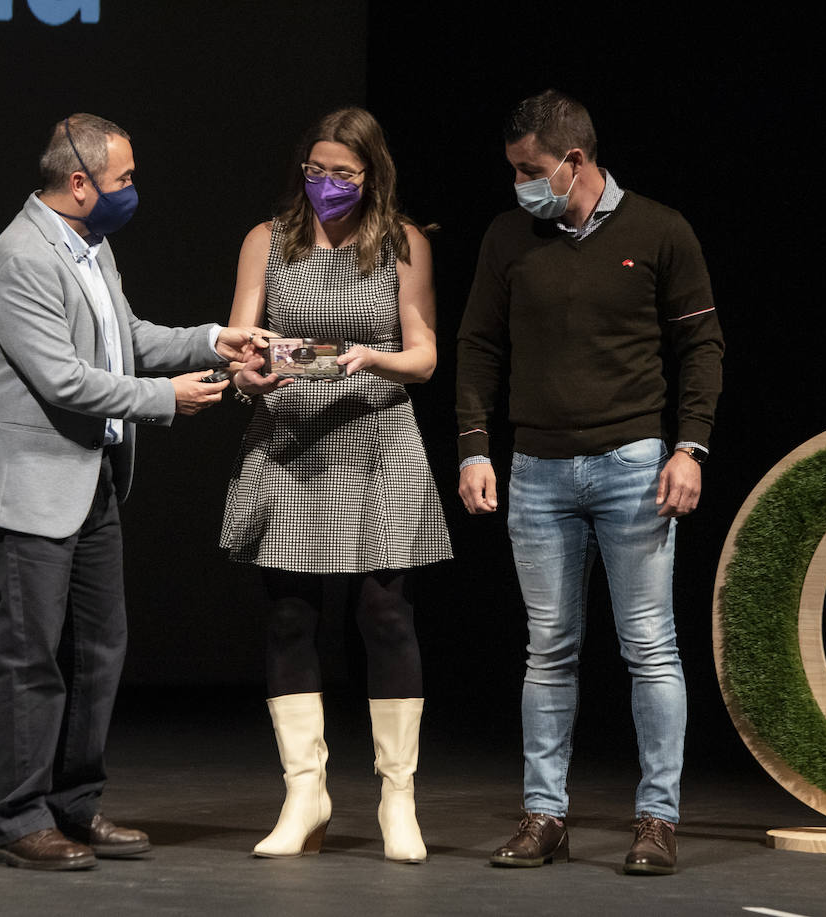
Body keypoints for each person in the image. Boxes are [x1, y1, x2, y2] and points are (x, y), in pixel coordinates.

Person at [0, 113, 266, 871]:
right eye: (123, 179)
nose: (132, 191)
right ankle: (19, 819)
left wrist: (215, 340)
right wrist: (165, 399)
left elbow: (124, 338)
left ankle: (73, 804)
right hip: (29, 489)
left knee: (100, 652)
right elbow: (63, 379)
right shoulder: (21, 257)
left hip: (89, 482)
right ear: (79, 183)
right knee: (32, 658)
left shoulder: (90, 245)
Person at [456, 90, 724, 876]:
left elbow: (702, 347)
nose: (519, 184)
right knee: (549, 648)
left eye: (530, 170)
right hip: (536, 470)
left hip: (635, 466)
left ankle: (658, 820)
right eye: (514, 171)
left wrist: (692, 448)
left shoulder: (660, 229)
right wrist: (475, 447)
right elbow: (477, 346)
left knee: (649, 646)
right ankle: (545, 815)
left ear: (574, 161)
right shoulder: (510, 237)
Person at [220, 107, 452, 864]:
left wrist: (369, 355)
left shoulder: (401, 243)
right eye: (315, 171)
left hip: (377, 440)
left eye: (342, 174)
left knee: (385, 614)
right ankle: (305, 792)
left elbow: (423, 357)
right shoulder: (268, 239)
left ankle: (397, 798)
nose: (325, 185)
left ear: (371, 174)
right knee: (290, 616)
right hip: (290, 442)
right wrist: (250, 372)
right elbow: (240, 346)